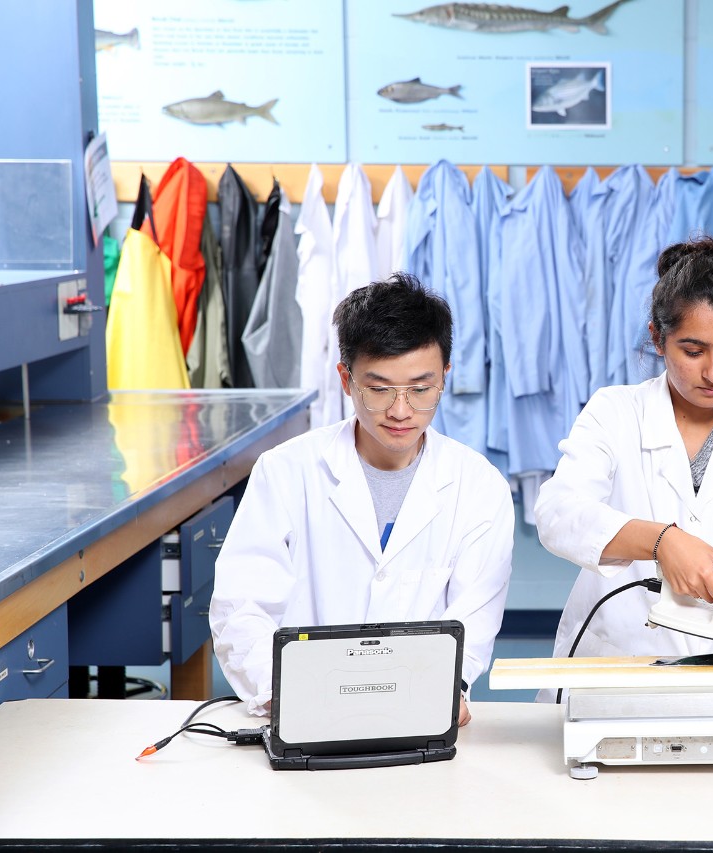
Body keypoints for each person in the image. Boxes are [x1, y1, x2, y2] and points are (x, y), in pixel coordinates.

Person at [210, 273, 514, 725]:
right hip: (302, 716)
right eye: (379, 389)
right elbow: (242, 605)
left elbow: (471, 620)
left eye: (420, 388)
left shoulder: (478, 487)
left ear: (445, 377)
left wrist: (446, 692)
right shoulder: (286, 471)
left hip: (418, 718)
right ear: (346, 379)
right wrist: (283, 694)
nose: (400, 409)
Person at [534, 236, 713, 673]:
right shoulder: (615, 412)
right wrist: (661, 540)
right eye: (693, 351)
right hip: (616, 663)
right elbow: (558, 513)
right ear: (658, 339)